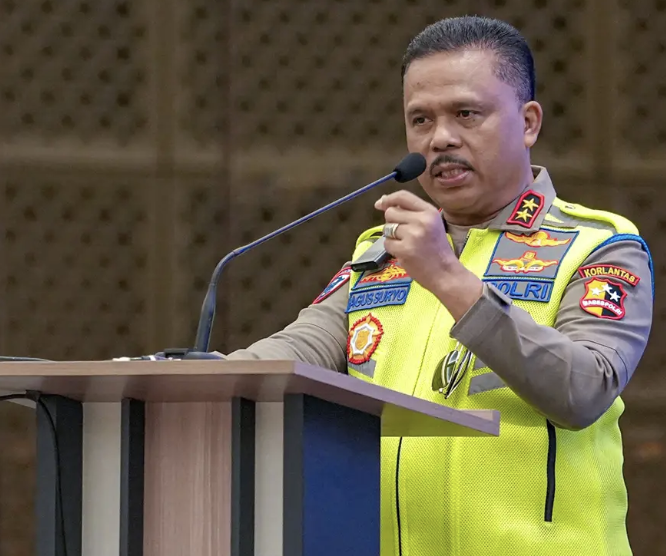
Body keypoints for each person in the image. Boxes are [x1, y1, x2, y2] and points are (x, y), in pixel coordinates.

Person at [224, 15, 653, 556]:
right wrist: (206, 375)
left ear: (528, 123)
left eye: (466, 114)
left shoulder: (598, 247)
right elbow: (302, 347)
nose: (440, 138)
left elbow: (583, 389)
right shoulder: (383, 252)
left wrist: (446, 275)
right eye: (420, 119)